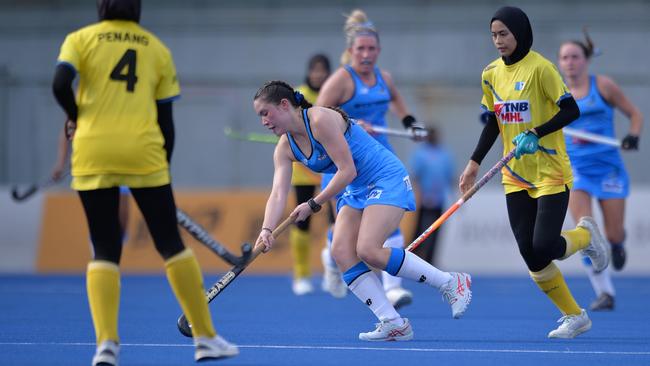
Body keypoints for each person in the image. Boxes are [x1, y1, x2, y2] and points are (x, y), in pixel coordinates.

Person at [51, 1, 237, 364]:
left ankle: (106, 345)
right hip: (143, 153)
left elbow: (60, 83)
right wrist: (161, 168)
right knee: (170, 243)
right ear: (137, 10)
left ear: (101, 7)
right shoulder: (156, 48)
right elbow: (166, 121)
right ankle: (205, 338)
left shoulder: (80, 38)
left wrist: (77, 117)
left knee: (104, 247)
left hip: (93, 150)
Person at [253, 80, 472, 341]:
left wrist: (313, 204)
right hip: (357, 189)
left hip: (384, 178)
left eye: (265, 113)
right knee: (341, 251)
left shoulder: (320, 120)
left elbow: (347, 170)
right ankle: (393, 322)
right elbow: (278, 192)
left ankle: (451, 283)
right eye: (260, 116)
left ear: (285, 105)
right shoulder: (285, 148)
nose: (263, 121)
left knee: (368, 249)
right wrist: (266, 229)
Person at [459, 6, 610, 339]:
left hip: (550, 170)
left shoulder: (542, 68)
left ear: (520, 33)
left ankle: (585, 237)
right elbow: (494, 123)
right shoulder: (490, 74)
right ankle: (574, 315)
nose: (498, 41)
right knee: (529, 252)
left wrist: (537, 133)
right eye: (494, 35)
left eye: (504, 34)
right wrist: (473, 162)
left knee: (543, 245)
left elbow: (571, 110)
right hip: (515, 173)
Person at [316, 9, 424, 308]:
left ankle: (392, 288)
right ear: (350, 51)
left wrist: (412, 125)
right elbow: (317, 115)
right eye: (360, 49)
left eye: (371, 49)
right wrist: (347, 121)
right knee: (345, 233)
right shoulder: (341, 80)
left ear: (379, 50)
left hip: (379, 161)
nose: (366, 54)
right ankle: (330, 257)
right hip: (345, 163)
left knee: (389, 221)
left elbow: (400, 105)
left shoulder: (383, 79)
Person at [557, 31, 643, 310]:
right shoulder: (556, 92)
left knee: (613, 233)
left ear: (586, 60)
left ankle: (618, 245)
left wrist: (633, 135)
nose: (570, 63)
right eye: (564, 58)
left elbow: (635, 115)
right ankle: (605, 293)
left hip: (609, 170)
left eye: (575, 57)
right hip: (576, 171)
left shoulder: (603, 86)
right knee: (586, 232)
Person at [288, 54, 332, 295]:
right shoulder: (298, 94)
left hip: (330, 168)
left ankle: (332, 271)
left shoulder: (334, 92)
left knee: (335, 222)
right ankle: (301, 275)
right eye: (314, 70)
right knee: (302, 222)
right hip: (305, 169)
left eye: (322, 70)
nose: (318, 74)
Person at [52, 128, 132, 243]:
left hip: (120, 165)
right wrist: (61, 163)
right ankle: (100, 254)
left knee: (121, 227)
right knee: (100, 225)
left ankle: (108, 256)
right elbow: (67, 129)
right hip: (94, 167)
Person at [408, 126, 454, 265]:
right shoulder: (421, 154)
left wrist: (453, 194)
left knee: (435, 231)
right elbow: (414, 176)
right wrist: (418, 195)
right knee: (420, 229)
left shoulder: (445, 154)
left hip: (439, 200)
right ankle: (413, 258)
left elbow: (449, 176)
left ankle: (430, 261)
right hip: (424, 199)